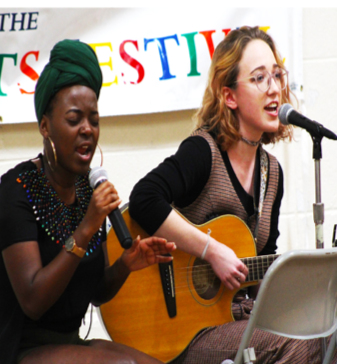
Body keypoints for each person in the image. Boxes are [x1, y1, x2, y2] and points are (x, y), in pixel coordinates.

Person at [129, 26, 335, 363]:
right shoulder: (202, 152)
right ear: (229, 96)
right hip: (187, 332)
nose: (274, 89)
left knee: (327, 335)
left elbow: (263, 264)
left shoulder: (272, 173)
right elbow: (144, 199)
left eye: (277, 75)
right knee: (298, 343)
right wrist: (211, 250)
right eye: (259, 78)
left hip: (240, 319)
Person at [0, 39, 177, 364]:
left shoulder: (88, 192)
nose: (87, 130)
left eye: (93, 120)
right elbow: (33, 300)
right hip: (19, 348)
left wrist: (126, 265)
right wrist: (86, 228)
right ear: (45, 126)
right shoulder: (16, 190)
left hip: (69, 344)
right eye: (74, 120)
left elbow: (94, 292)